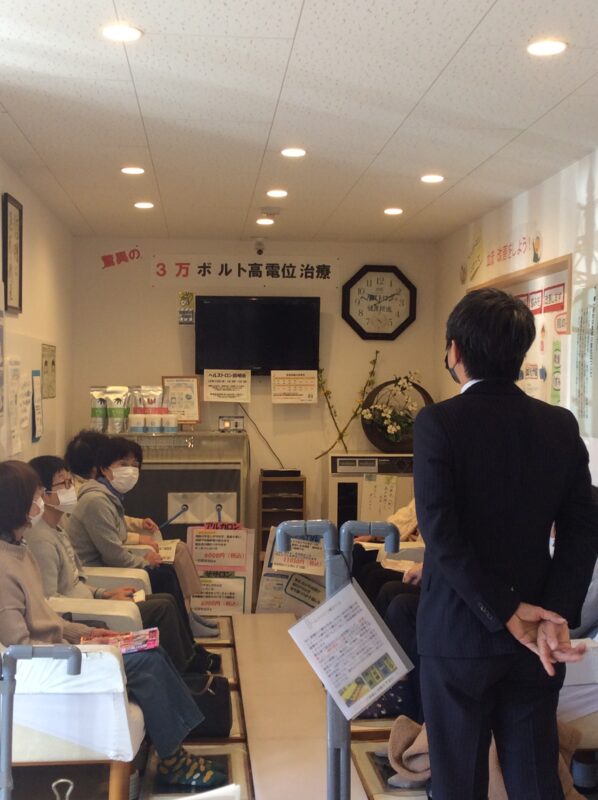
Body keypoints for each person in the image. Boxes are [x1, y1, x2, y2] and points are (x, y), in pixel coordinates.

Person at [414, 288, 598, 799]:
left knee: (459, 784)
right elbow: (583, 528)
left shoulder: (438, 422)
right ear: (520, 352)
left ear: (455, 350)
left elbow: (440, 531)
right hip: (537, 640)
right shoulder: (559, 425)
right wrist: (553, 614)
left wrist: (502, 609)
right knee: (536, 780)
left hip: (458, 633)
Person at [0, 460, 226, 790]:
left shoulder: (20, 550)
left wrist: (88, 634)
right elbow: (19, 650)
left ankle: (175, 747)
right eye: (35, 496)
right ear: (17, 505)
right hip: (49, 668)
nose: (39, 503)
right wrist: (81, 649)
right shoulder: (4, 568)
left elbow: (46, 616)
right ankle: (173, 760)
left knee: (151, 648)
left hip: (62, 651)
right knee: (146, 664)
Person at [27, 455, 208, 673]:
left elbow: (76, 580)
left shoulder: (57, 528)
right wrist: (102, 601)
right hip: (83, 612)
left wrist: (105, 593)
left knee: (166, 599)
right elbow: (50, 601)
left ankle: (190, 657)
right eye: (63, 484)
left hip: (93, 599)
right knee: (162, 607)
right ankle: (187, 669)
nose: (70, 489)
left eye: (70, 482)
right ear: (43, 494)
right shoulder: (41, 540)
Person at [65, 430, 218, 637]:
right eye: (123, 464)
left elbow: (115, 538)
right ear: (103, 468)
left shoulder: (108, 497)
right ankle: (185, 630)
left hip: (107, 564)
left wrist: (144, 555)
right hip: (98, 570)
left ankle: (187, 622)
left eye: (135, 465)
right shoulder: (96, 501)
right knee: (164, 575)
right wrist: (144, 561)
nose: (130, 471)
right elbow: (112, 553)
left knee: (166, 571)